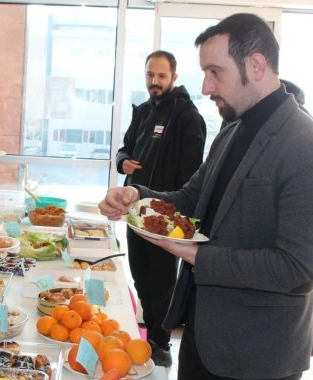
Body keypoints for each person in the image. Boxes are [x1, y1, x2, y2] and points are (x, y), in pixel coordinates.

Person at [99, 13, 313, 380]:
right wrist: (137, 195)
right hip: (202, 335)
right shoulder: (232, 130)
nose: (207, 86)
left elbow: (297, 270)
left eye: (216, 72)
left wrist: (195, 253)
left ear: (256, 65)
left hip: (258, 353)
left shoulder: (309, 149)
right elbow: (193, 198)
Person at [115, 50, 206, 367]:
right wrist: (122, 161)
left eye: (162, 76)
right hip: (134, 212)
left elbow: (194, 176)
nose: (155, 81)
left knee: (162, 281)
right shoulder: (142, 112)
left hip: (165, 217)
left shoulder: (187, 116)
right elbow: (124, 147)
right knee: (140, 276)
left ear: (174, 78)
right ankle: (151, 334)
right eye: (150, 75)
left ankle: (161, 342)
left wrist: (175, 212)